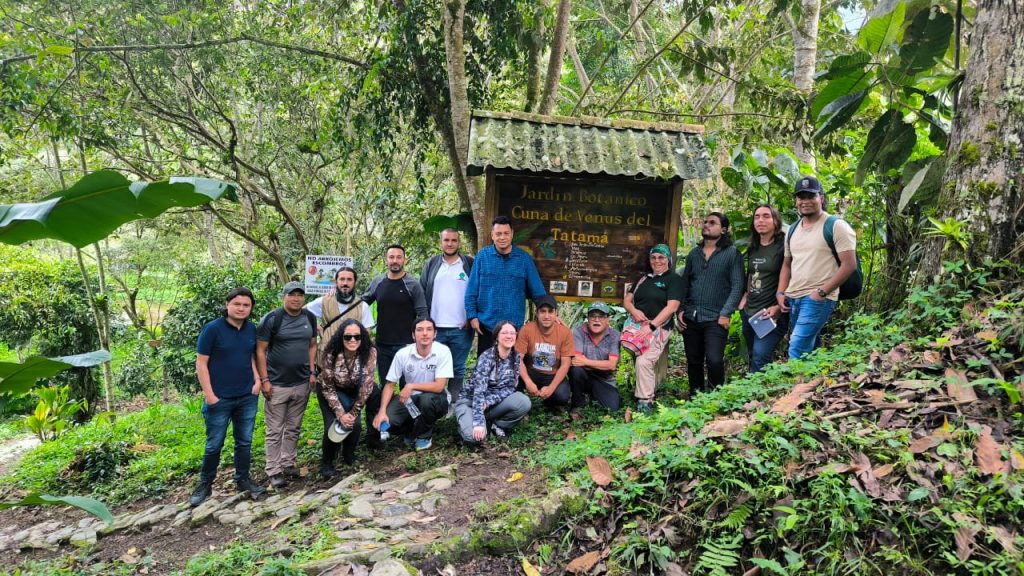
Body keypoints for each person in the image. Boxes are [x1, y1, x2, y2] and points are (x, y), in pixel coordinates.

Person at [190, 287, 265, 506]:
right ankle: (205, 484)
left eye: (246, 305)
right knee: (214, 444)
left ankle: (243, 479)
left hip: (246, 396)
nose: (242, 308)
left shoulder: (251, 329)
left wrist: (258, 380)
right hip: (219, 398)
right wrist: (210, 395)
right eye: (237, 304)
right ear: (227, 305)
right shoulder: (212, 329)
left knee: (244, 442)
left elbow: (251, 356)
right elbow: (201, 363)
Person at [776, 176, 857, 360]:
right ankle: (813, 385)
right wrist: (781, 293)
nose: (805, 201)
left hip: (817, 297)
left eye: (810, 196)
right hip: (793, 298)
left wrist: (821, 292)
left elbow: (849, 264)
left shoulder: (836, 226)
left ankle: (794, 388)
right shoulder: (793, 229)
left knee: (796, 347)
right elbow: (787, 264)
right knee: (809, 349)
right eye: (800, 197)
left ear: (821, 197)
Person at [362, 244, 428, 447]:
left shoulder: (412, 285)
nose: (395, 261)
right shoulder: (378, 282)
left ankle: (411, 428)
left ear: (404, 260)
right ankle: (387, 427)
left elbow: (423, 313)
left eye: (399, 257)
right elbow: (362, 303)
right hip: (383, 346)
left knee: (408, 389)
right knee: (386, 387)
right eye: (391, 257)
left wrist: (422, 341)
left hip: (408, 347)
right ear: (386, 260)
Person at [256, 281, 317, 489]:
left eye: (300, 295)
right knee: (274, 429)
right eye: (292, 294)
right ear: (284, 296)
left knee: (293, 427)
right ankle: (273, 469)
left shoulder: (309, 317)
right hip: (277, 384)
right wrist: (264, 380)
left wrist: (311, 371)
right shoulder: (273, 319)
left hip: (301, 382)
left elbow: (312, 344)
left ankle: (288, 463)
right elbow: (260, 350)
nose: (296, 298)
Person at [678, 212, 744, 393]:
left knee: (714, 360)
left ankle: (716, 397)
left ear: (723, 229)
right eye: (705, 222)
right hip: (691, 316)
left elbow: (738, 285)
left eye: (712, 223)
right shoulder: (694, 254)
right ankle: (696, 397)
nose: (706, 224)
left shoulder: (732, 254)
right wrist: (681, 309)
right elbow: (685, 284)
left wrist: (726, 313)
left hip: (716, 317)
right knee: (694, 361)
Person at [465, 215, 547, 354]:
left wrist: (549, 312)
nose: (502, 237)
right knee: (486, 371)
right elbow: (471, 290)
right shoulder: (482, 257)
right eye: (498, 234)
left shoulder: (524, 259)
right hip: (486, 326)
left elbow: (538, 293)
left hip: (513, 328)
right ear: (492, 235)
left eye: (506, 233)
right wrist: (472, 316)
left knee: (511, 370)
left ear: (512, 234)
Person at [373, 318, 453, 451]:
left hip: (436, 398)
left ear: (435, 334)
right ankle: (413, 428)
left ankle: (424, 436)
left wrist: (410, 386)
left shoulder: (443, 351)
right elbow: (390, 384)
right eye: (420, 330)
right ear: (413, 335)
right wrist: (382, 412)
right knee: (388, 422)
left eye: (429, 329)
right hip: (410, 400)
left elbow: (439, 386)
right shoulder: (402, 354)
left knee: (426, 401)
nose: (425, 333)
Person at [622, 244, 684, 412]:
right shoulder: (643, 279)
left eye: (661, 257)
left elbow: (671, 307)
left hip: (659, 328)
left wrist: (651, 325)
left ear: (668, 260)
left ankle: (645, 401)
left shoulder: (674, 280)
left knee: (644, 361)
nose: (657, 261)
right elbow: (627, 300)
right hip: (637, 326)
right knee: (638, 356)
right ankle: (646, 389)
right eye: (653, 257)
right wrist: (634, 310)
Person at [454, 321, 532, 444]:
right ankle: (468, 424)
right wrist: (478, 423)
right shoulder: (487, 358)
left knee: (523, 402)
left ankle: (497, 425)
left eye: (512, 333)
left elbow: (511, 388)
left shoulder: (515, 357)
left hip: (490, 403)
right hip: (471, 401)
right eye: (504, 333)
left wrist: (489, 401)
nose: (509, 336)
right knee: (474, 438)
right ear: (497, 337)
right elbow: (478, 392)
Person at [317, 319, 377, 478]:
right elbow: (327, 386)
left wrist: (354, 412)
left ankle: (348, 455)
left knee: (354, 424)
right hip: (331, 390)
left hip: (355, 390)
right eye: (348, 337)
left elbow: (367, 385)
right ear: (341, 338)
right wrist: (341, 414)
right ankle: (327, 462)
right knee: (334, 426)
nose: (352, 340)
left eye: (357, 337)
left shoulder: (369, 353)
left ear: (362, 337)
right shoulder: (332, 354)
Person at [421, 228, 474, 404]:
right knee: (433, 368)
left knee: (458, 368)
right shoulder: (432, 263)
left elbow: (478, 292)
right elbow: (421, 292)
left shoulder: (468, 264)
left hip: (461, 328)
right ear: (441, 242)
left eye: (453, 240)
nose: (450, 243)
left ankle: (454, 403)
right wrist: (424, 323)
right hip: (435, 329)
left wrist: (471, 316)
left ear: (459, 242)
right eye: (446, 240)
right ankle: (436, 403)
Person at [739, 205, 789, 372]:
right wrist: (744, 298)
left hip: (771, 312)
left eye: (766, 216)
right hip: (749, 311)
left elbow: (792, 276)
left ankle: (756, 397)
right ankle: (760, 391)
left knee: (761, 355)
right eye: (757, 216)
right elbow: (751, 274)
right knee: (754, 354)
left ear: (776, 221)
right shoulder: (753, 247)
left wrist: (778, 307)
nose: (760, 220)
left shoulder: (783, 246)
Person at [516, 294, 576, 411]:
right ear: (537, 313)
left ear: (556, 314)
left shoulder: (565, 332)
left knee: (562, 396)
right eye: (543, 311)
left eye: (550, 311)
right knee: (511, 377)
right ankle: (520, 407)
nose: (547, 316)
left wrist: (551, 388)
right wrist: (528, 382)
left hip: (552, 374)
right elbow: (518, 359)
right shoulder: (527, 329)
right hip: (531, 371)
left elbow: (565, 364)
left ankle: (549, 403)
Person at [306, 267, 375, 354]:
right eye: (342, 279)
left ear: (355, 283)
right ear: (336, 282)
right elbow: (302, 312)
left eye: (349, 279)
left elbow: (367, 333)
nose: (345, 283)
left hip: (352, 358)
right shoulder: (324, 301)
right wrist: (316, 326)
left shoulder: (362, 306)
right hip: (326, 356)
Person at [569, 301, 622, 413]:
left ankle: (594, 394)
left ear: (608, 319)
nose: (596, 320)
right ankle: (577, 404)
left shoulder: (615, 335)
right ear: (588, 318)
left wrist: (586, 362)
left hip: (605, 379)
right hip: (584, 376)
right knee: (576, 371)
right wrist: (602, 364)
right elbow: (577, 361)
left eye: (601, 316)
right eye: (593, 316)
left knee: (613, 408)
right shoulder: (579, 332)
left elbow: (611, 365)